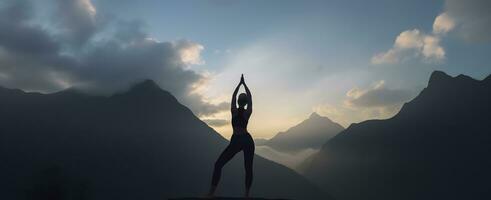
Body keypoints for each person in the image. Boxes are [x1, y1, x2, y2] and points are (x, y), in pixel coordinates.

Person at [208, 74, 255, 198]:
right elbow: (250, 97)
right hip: (245, 140)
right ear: (245, 102)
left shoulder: (234, 111)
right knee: (248, 168)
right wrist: (244, 85)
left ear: (239, 101)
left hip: (239, 140)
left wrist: (240, 84)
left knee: (219, 164)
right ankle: (246, 195)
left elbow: (233, 96)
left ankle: (211, 194)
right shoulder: (247, 112)